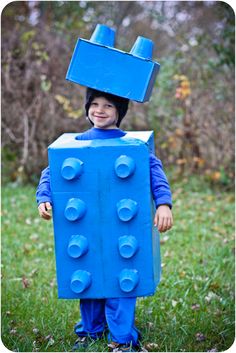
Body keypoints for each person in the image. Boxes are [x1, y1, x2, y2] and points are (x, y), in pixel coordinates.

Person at [36, 88, 173, 352]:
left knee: (121, 285)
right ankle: (90, 331)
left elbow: (155, 173)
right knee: (87, 284)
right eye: (94, 104)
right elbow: (50, 172)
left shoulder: (134, 148)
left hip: (124, 230)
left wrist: (164, 204)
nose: (99, 110)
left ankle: (123, 338)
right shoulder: (76, 144)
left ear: (119, 112)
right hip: (85, 231)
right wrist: (43, 196)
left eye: (109, 106)